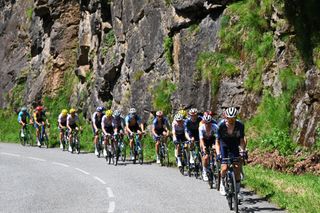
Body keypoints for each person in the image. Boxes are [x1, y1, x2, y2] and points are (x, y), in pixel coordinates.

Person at [216, 107, 246, 200]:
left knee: (236, 167)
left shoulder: (240, 125)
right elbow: (217, 141)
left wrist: (242, 150)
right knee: (224, 167)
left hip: (234, 143)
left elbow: (241, 140)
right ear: (226, 117)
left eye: (233, 118)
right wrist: (218, 153)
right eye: (229, 118)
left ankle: (237, 191)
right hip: (223, 144)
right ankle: (222, 183)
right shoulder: (221, 125)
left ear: (236, 117)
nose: (231, 120)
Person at [199, 114, 218, 181]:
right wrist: (203, 147)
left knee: (216, 150)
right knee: (206, 157)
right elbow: (201, 139)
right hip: (204, 141)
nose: (208, 124)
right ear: (204, 122)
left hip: (212, 139)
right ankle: (204, 171)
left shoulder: (215, 127)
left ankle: (215, 163)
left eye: (209, 123)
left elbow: (217, 138)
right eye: (206, 123)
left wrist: (215, 145)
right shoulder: (201, 128)